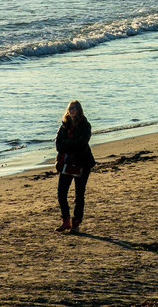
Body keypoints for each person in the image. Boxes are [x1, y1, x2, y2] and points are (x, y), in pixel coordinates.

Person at [55, 99, 95, 234]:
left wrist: (67, 144)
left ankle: (76, 223)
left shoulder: (85, 125)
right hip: (65, 163)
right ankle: (66, 221)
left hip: (82, 163)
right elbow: (58, 144)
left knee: (79, 194)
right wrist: (70, 144)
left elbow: (82, 143)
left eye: (74, 108)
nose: (71, 110)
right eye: (70, 108)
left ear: (79, 110)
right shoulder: (64, 125)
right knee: (61, 193)